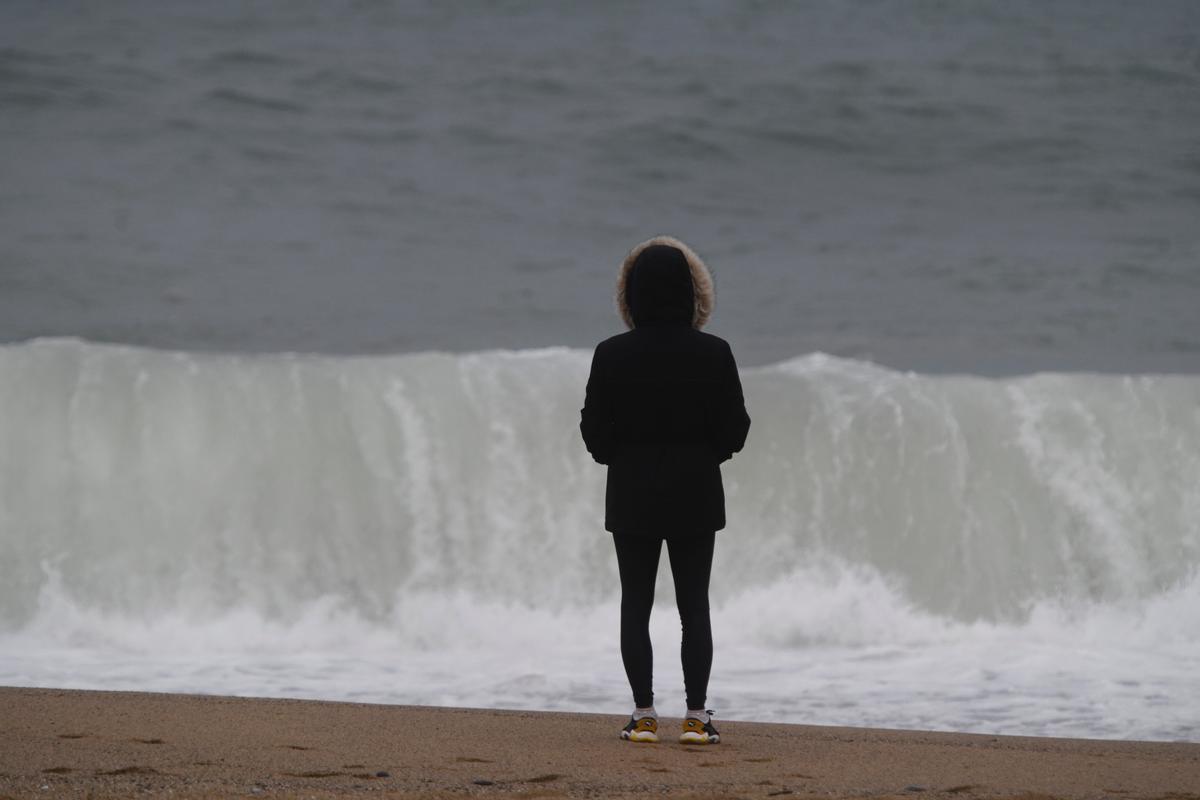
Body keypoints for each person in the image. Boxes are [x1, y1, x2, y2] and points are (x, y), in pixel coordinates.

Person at [579, 236, 751, 745]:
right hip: (697, 490)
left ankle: (645, 715)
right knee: (693, 605)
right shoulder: (715, 352)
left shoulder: (611, 353)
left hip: (631, 490)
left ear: (630, 294)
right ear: (692, 291)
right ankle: (697, 718)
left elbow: (593, 429)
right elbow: (736, 429)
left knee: (636, 603)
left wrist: (623, 458)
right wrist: (703, 457)